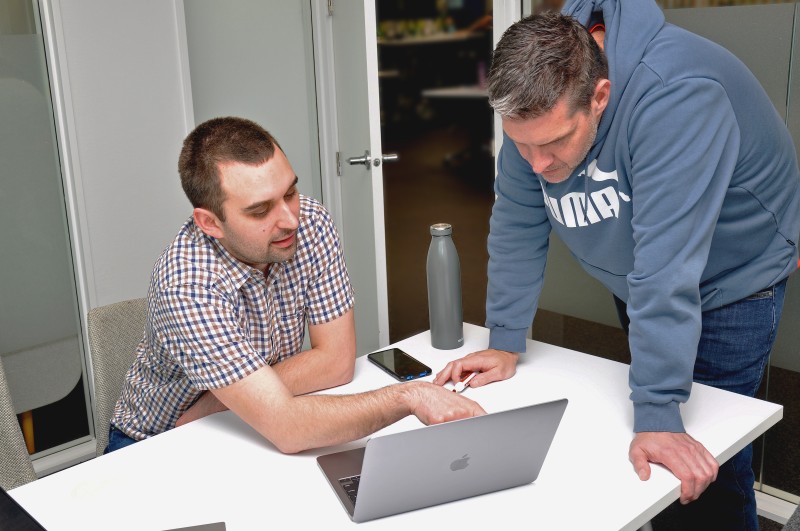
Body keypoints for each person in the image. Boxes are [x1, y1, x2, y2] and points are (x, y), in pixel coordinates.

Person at [433, 2, 800, 529]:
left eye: (554, 143)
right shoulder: (538, 108)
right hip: (646, 280)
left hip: (730, 279)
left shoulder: (676, 93)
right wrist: (504, 339)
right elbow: (516, 220)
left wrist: (657, 413)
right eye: (522, 144)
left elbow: (666, 267)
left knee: (699, 466)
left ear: (600, 97)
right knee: (653, 452)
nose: (537, 164)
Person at [106, 116, 484, 455]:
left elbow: (336, 362)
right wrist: (411, 395)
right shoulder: (186, 284)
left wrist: (222, 401)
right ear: (210, 224)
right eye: (260, 210)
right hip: (157, 444)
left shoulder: (311, 223)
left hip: (226, 416)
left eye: (289, 193)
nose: (289, 220)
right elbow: (288, 429)